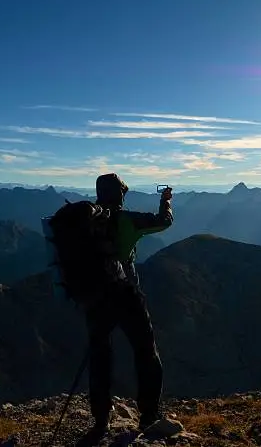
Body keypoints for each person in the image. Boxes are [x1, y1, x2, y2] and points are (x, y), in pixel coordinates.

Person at [78, 172, 178, 445]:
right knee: (146, 351)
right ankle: (148, 415)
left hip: (95, 297)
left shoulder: (85, 220)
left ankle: (100, 420)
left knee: (100, 355)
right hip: (125, 294)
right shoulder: (127, 220)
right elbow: (164, 221)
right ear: (120, 194)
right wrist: (165, 201)